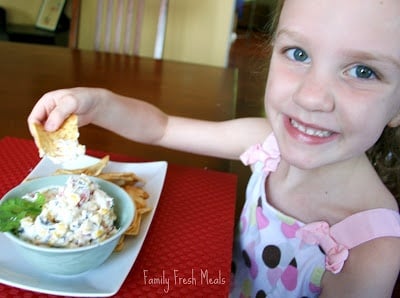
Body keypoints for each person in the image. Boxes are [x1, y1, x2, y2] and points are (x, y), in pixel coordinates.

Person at [28, 0, 400, 296]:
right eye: (298, 53)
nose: (312, 97)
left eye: (363, 71)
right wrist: (100, 104)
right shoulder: (265, 145)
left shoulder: (369, 251)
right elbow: (162, 128)